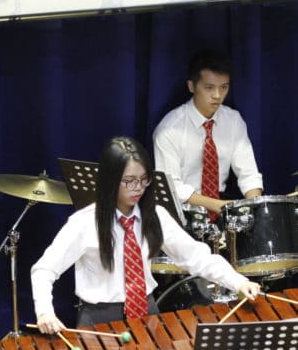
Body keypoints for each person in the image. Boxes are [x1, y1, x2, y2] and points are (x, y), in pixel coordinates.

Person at [31, 136, 260, 333]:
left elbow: (196, 257)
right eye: (129, 181)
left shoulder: (156, 215)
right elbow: (44, 270)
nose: (138, 188)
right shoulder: (84, 222)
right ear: (111, 181)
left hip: (147, 313)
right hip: (100, 319)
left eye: (143, 180)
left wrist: (238, 282)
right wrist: (44, 312)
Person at [152, 49, 263, 215]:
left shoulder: (233, 120)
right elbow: (172, 187)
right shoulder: (169, 129)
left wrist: (254, 206)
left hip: (223, 209)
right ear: (191, 86)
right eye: (209, 88)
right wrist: (219, 206)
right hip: (183, 213)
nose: (217, 95)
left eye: (224, 87)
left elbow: (249, 174)